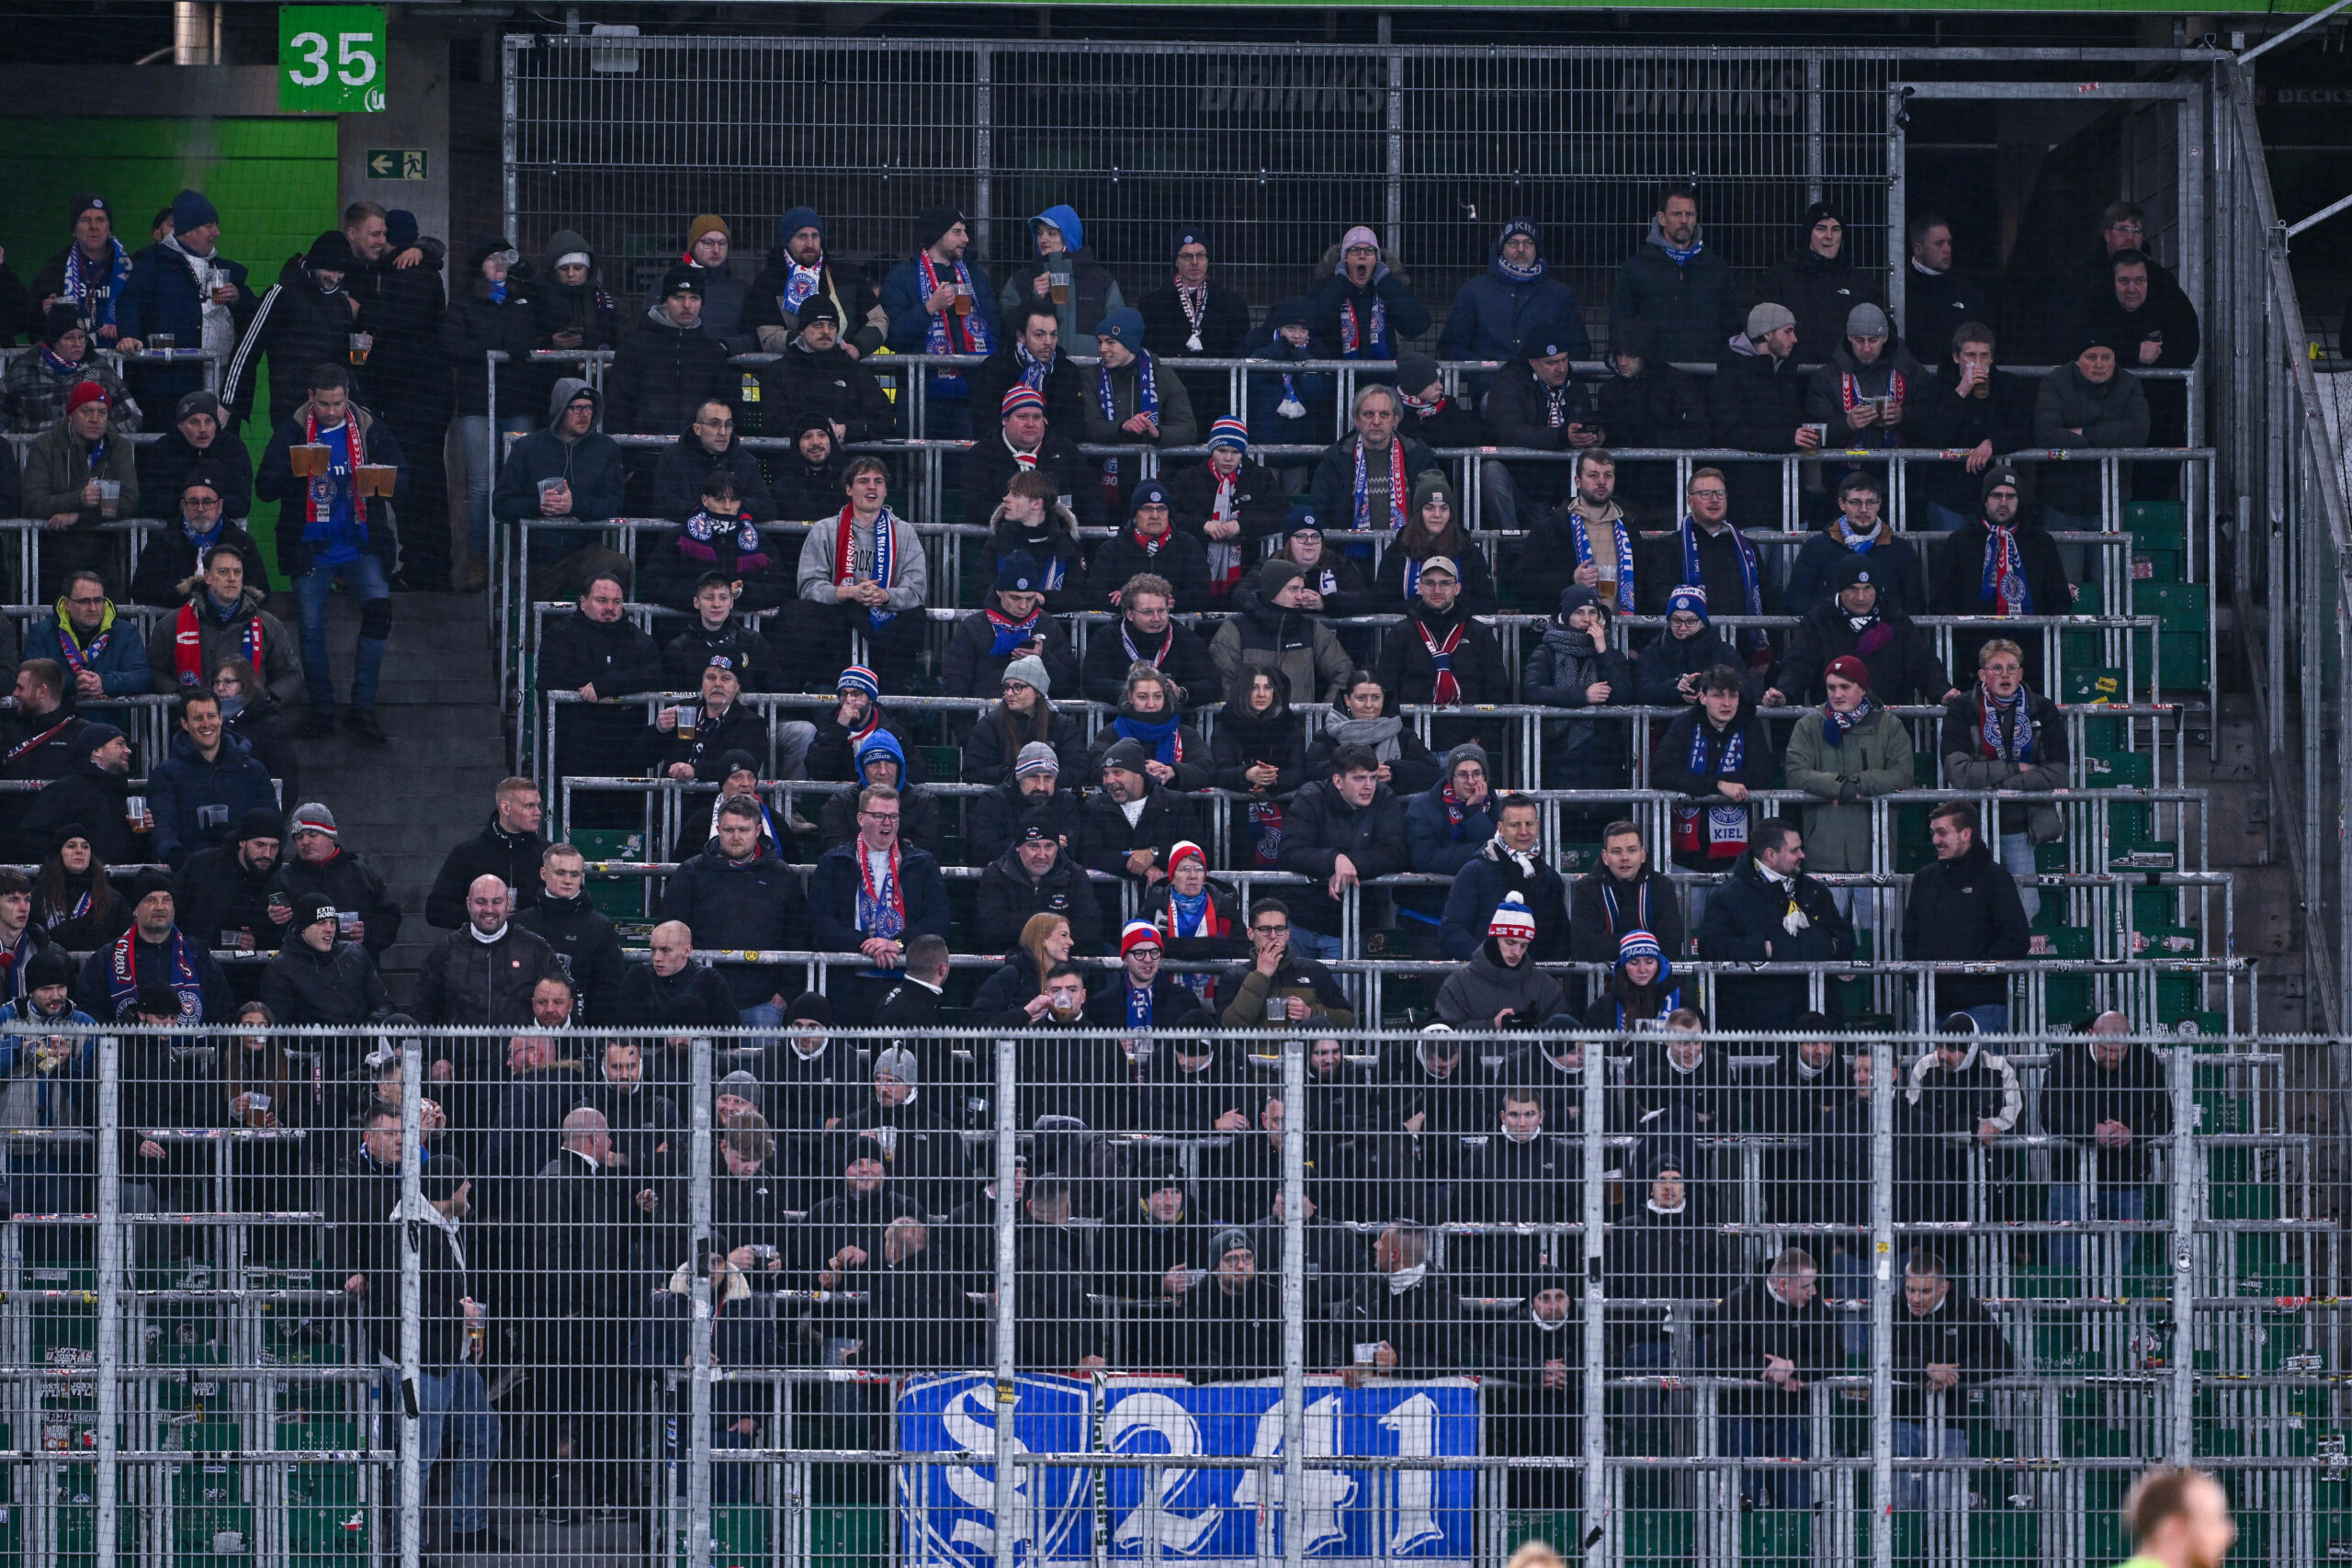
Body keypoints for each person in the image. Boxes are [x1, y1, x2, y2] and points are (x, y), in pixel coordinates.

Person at [251, 361, 406, 743]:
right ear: (311, 398)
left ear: (347, 397)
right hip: (311, 547)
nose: (332, 411)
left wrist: (382, 483)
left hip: (359, 545)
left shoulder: (369, 429)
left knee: (380, 610)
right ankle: (321, 708)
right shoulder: (290, 430)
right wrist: (294, 471)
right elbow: (264, 488)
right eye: (324, 404)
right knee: (310, 626)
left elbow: (406, 480)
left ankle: (362, 708)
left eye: (338, 403)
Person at [1781, 656, 1914, 930]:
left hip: (1875, 854)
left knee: (1879, 941)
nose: (1837, 694)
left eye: (1845, 686)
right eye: (1831, 687)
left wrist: (1860, 784)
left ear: (1862, 689)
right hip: (1823, 854)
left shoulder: (1889, 725)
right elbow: (1795, 773)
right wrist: (1840, 785)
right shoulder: (1809, 726)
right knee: (1823, 938)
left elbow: (1903, 774)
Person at [1940, 637, 2067, 919]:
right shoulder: (1962, 708)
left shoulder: (2042, 709)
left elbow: (2059, 772)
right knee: (1970, 909)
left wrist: (1991, 777)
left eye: (2012, 668)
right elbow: (1957, 772)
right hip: (1971, 827)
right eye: (1996, 668)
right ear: (1983, 675)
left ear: (2021, 674)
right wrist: (2016, 770)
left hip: (2021, 825)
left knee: (2026, 907)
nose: (2005, 674)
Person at [2039, 1011, 2171, 1275]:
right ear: (2091, 1036)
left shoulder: (2145, 1062)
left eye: (2119, 1051)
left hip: (2126, 1180)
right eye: (2105, 1050)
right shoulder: (2064, 1060)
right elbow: (2049, 1115)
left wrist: (2132, 1133)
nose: (2112, 1057)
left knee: (2114, 1277)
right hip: (2071, 1180)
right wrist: (2092, 1131)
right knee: (2065, 1274)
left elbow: (2164, 1116)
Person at [657, 796, 808, 1027]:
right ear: (717, 829)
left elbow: (798, 936)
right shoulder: (691, 873)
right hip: (701, 999)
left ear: (758, 830)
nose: (736, 837)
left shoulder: (782, 875)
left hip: (764, 1003)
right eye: (729, 830)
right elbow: (670, 931)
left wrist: (786, 994)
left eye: (743, 829)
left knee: (761, 1064)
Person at [1694, 818, 1854, 1032]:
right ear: (1771, 854)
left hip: (1814, 1021)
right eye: (1794, 850)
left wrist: (1828, 946)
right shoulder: (1728, 897)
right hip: (1755, 1023)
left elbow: (1845, 938)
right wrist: (1765, 948)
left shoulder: (1814, 891)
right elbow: (1711, 948)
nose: (1802, 856)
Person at [440, 239, 540, 571]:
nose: (499, 263)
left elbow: (536, 333)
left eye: (505, 258)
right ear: (478, 264)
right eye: (491, 257)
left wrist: (529, 279)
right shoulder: (466, 302)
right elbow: (452, 344)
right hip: (477, 403)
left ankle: (515, 558)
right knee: (481, 485)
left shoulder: (522, 298)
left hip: (518, 401)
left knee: (518, 482)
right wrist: (497, 345)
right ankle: (479, 559)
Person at [1716, 1247, 1840, 1512]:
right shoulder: (1740, 1302)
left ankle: (1798, 1552)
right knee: (1741, 1504)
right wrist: (1768, 1369)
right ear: (1783, 1284)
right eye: (1807, 1286)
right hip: (1742, 1417)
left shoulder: (1812, 1306)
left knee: (1798, 1502)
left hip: (1788, 1416)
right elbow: (1721, 1355)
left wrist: (1793, 1369)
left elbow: (1834, 1356)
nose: (1814, 1292)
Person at [1889, 1251, 2014, 1512]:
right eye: (1910, 1289)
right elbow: (1875, 1357)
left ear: (1944, 1287)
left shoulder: (1968, 1309)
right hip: (1899, 1422)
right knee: (1900, 1509)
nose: (1914, 1298)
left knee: (1944, 1511)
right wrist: (1925, 1370)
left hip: (1950, 1423)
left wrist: (1955, 1375)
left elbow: (2002, 1358)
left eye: (1924, 1292)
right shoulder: (1891, 1306)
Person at [114, 190, 255, 418]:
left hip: (221, 389)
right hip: (169, 389)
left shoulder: (225, 270)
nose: (216, 232)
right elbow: (131, 301)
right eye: (209, 226)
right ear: (189, 231)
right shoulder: (153, 262)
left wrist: (239, 299)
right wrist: (129, 335)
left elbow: (254, 319)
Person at [790, 457, 928, 688]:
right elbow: (808, 586)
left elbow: (916, 590)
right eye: (864, 481)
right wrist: (849, 592)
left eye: (878, 481)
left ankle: (893, 692)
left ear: (885, 491)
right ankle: (824, 688)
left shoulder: (904, 532)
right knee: (802, 613)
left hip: (885, 613)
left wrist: (885, 595)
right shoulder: (825, 530)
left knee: (915, 616)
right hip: (839, 614)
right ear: (848, 489)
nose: (872, 487)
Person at [220, 230, 367, 432]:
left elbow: (346, 363)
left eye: (341, 273)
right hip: (290, 412)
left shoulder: (340, 304)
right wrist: (229, 403)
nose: (335, 278)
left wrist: (360, 404)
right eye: (330, 271)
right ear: (315, 264)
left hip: (333, 412)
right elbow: (247, 348)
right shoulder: (281, 294)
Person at [535, 570, 662, 801]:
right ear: (583, 603)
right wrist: (622, 694)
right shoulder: (559, 635)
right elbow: (557, 675)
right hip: (574, 750)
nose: (610, 608)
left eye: (616, 602)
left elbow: (654, 674)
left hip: (625, 752)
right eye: (602, 600)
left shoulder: (636, 638)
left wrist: (605, 685)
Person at [1903, 802, 2031, 1030]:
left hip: (1982, 1006)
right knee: (1926, 1067)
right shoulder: (1924, 878)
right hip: (1929, 1005)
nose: (1935, 841)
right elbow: (1910, 937)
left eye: (1942, 833)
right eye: (1934, 833)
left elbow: (2015, 938)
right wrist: (1919, 983)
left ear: (1966, 834)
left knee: (1983, 1067)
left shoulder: (1996, 878)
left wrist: (1975, 976)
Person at [2085, 246, 2200, 496]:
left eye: (2139, 281)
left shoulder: (2168, 301)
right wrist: (2133, 353)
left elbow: (2189, 344)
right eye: (2124, 281)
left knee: (2156, 491)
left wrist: (2155, 358)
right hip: (2109, 422)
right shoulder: (2096, 305)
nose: (2132, 289)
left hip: (2161, 420)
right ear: (2112, 282)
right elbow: (2083, 345)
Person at [1772, 554, 1957, 709]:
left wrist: (1942, 692)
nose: (1861, 597)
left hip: (1887, 722)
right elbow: (1799, 665)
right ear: (1840, 590)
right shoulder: (1818, 620)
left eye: (1868, 588)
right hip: (1832, 720)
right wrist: (1784, 693)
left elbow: (1923, 664)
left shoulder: (1896, 620)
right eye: (1853, 589)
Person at [1280, 742, 1406, 961]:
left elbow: (1394, 853)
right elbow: (1290, 851)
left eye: (1373, 778)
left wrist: (1348, 863)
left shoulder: (1384, 798)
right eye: (1359, 778)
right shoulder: (1310, 797)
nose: (1368, 786)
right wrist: (1333, 860)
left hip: (1355, 927)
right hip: (1301, 920)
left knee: (1344, 995)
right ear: (1338, 780)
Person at [880, 207, 998, 438]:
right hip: (920, 394)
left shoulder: (975, 276)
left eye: (965, 231)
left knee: (965, 464)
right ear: (937, 235)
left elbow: (994, 328)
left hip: (969, 393)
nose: (965, 238)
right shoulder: (902, 276)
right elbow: (893, 336)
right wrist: (929, 308)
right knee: (918, 465)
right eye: (957, 232)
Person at [490, 378, 626, 577]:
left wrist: (574, 505)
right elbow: (500, 505)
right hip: (537, 554)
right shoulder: (527, 448)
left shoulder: (606, 449)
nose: (585, 414)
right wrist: (539, 505)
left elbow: (614, 504)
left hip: (585, 551)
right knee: (526, 592)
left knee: (618, 565)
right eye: (577, 408)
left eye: (589, 408)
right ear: (561, 408)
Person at [808, 784, 951, 968]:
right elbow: (821, 920)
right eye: (878, 816)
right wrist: (864, 944)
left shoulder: (922, 862)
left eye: (893, 816)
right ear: (861, 818)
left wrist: (899, 944)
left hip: (905, 969)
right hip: (850, 970)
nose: (887, 823)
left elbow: (938, 918)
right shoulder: (834, 862)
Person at [1898, 1018, 2022, 1227]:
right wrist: (1974, 1127)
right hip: (1937, 1176)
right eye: (1939, 1047)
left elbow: (2013, 1120)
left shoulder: (2000, 1068)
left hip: (1990, 1178)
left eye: (1953, 1049)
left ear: (1972, 1049)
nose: (1943, 1055)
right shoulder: (1925, 1068)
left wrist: (1954, 1126)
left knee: (1988, 1245)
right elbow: (1915, 1120)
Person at [1911, 322, 2035, 532]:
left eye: (1984, 356)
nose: (1978, 363)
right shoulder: (1934, 388)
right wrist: (1961, 391)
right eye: (1970, 355)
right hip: (1948, 494)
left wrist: (1992, 443)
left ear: (1992, 357)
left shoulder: (2008, 386)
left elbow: (2027, 430)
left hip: (1997, 498)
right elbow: (1932, 434)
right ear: (1956, 357)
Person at [1653, 663, 1774, 877]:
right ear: (1703, 697)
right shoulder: (1684, 725)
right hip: (1686, 857)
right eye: (1718, 695)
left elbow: (1762, 774)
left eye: (1733, 696)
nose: (1727, 703)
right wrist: (1718, 785)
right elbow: (1661, 774)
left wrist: (1706, 783)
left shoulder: (1749, 725)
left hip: (1739, 862)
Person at [1442, 217, 1589, 391]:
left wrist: (1550, 372)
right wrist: (1483, 372)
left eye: (1528, 243)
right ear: (1501, 248)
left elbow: (1579, 348)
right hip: (1491, 388)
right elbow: (1451, 346)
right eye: (1513, 243)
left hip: (1546, 392)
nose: (1521, 249)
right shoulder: (1474, 291)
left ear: (1537, 249)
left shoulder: (1560, 294)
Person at [24, 381, 141, 597]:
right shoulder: (45, 446)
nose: (95, 419)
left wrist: (77, 516)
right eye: (86, 411)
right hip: (54, 553)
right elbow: (33, 502)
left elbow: (129, 501)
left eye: (102, 412)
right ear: (70, 414)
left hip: (105, 553)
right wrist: (78, 499)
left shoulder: (120, 447)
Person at [1930, 466, 2075, 640]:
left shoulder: (2041, 543)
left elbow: (2059, 599)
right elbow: (1941, 600)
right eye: (1996, 495)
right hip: (1975, 646)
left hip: (2030, 646)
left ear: (2019, 500)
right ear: (1985, 499)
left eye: (2011, 496)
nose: (2004, 502)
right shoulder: (1960, 542)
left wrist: (2042, 637)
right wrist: (1965, 637)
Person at [148, 544, 297, 710]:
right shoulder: (172, 623)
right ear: (207, 577)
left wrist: (268, 699)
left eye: (237, 572)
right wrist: (180, 695)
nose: (232, 578)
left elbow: (290, 674)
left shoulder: (268, 624)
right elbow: (155, 670)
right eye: (223, 572)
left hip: (253, 720)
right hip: (193, 721)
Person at [74, 869, 232, 1025]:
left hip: (189, 1050)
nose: (160, 907)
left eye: (166, 899)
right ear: (135, 910)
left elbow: (222, 1011)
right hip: (127, 1049)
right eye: (151, 900)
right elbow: (89, 1010)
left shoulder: (199, 956)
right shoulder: (106, 958)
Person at [1708, 303, 1815, 527]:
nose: (1794, 338)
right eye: (1788, 331)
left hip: (1792, 500)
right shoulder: (1730, 375)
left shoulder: (1787, 371)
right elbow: (1731, 433)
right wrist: (1788, 438)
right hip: (1752, 504)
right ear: (1767, 333)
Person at [1523, 585, 1634, 805]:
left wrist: (1602, 650)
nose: (1587, 618)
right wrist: (1582, 695)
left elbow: (1624, 695)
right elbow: (1532, 691)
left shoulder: (1609, 652)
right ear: (1566, 616)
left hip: (1603, 750)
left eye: (1592, 612)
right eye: (1579, 612)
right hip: (1558, 750)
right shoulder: (1546, 651)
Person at [1650, 468, 1770, 671]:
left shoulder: (1746, 548)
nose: (1714, 500)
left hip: (1742, 654)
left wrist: (1764, 650)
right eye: (1706, 494)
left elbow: (1765, 598)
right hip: (1687, 654)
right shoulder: (1670, 547)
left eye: (1720, 494)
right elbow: (1658, 594)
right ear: (1690, 501)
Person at [1085, 308, 1198, 518]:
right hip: (1105, 483)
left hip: (1156, 480)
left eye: (1110, 342)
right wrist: (1122, 428)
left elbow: (1188, 428)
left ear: (1129, 343)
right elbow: (1090, 427)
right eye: (1100, 342)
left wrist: (1158, 433)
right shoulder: (1091, 376)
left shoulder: (1163, 376)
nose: (1102, 349)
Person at [942, 562, 1080, 731]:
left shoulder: (1049, 626)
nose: (1023, 606)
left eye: (1030, 599)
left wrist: (1043, 659)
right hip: (986, 730)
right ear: (999, 592)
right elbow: (955, 686)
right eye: (1015, 598)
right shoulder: (973, 628)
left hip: (1039, 729)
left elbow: (1068, 685)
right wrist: (969, 735)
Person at [1610, 184, 1737, 367]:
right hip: (1654, 377)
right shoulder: (1635, 269)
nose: (1684, 220)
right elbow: (1621, 325)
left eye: (1690, 214)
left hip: (1706, 377)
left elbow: (1730, 326)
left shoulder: (1716, 268)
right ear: (1661, 218)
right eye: (1676, 214)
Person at [2034, 332, 2151, 531]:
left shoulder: (2129, 383)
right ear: (2077, 361)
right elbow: (2046, 434)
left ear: (2114, 360)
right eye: (2091, 357)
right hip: (2062, 501)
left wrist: (2086, 433)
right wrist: (2109, 437)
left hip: (2112, 500)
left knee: (2107, 564)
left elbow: (2139, 433)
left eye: (2106, 357)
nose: (2099, 364)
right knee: (2066, 564)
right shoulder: (2055, 382)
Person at [1374, 554, 1505, 730]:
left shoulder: (1479, 634)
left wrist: (1479, 741)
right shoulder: (1401, 633)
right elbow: (1386, 690)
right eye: (1429, 583)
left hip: (1466, 746)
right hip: (1411, 743)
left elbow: (1497, 691)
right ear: (1419, 587)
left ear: (1457, 588)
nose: (1437, 590)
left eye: (1445, 583)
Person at [147, 690, 276, 870]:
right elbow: (163, 826)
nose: (206, 723)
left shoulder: (252, 770)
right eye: (198, 718)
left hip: (246, 872)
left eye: (211, 716)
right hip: (192, 873)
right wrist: (183, 861)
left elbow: (272, 823)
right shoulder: (166, 774)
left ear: (221, 718)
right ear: (185, 723)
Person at [604, 264, 734, 437]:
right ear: (665, 300)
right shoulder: (634, 347)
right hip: (642, 453)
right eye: (679, 297)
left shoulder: (711, 353)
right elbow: (617, 405)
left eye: (694, 298)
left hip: (698, 455)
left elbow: (728, 405)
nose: (687, 305)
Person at [1592, 329, 1708, 518]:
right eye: (1619, 354)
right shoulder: (1610, 391)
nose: (1623, 362)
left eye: (1631, 355)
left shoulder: (1677, 383)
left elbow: (1698, 432)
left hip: (1670, 487)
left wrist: (1647, 437)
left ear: (1647, 356)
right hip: (1627, 489)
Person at [1486, 331, 1603, 516]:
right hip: (1520, 477)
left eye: (1564, 360)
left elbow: (1584, 421)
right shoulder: (1508, 382)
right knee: (1492, 472)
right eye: (1552, 362)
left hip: (1563, 480)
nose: (1561, 368)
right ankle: (1511, 545)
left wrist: (1594, 437)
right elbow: (1510, 431)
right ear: (1533, 363)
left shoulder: (1575, 384)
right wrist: (1560, 436)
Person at [1211, 561, 1353, 713]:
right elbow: (1223, 680)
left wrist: (1326, 712)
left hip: (1298, 729)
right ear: (1273, 590)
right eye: (1293, 589)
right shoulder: (1236, 628)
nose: (1300, 596)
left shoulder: (1311, 628)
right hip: (1246, 729)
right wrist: (1240, 716)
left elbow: (1344, 670)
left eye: (1302, 589)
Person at [1781, 470, 1925, 620]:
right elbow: (1795, 601)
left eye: (1870, 502)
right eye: (1856, 502)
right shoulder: (1816, 547)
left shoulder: (1901, 550)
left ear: (1879, 504)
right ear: (1842, 504)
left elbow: (1914, 607)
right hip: (1830, 637)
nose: (1864, 509)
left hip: (1884, 638)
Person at [1139, 225, 1252, 413]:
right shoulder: (1152, 305)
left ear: (1208, 260)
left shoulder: (1232, 305)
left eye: (1201, 255)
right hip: (1170, 398)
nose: (1194, 262)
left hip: (1215, 398)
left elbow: (1239, 352)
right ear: (1175, 261)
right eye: (1186, 256)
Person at [745, 205, 885, 357]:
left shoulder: (848, 275)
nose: (810, 244)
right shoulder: (768, 282)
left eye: (815, 236)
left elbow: (879, 320)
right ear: (787, 241)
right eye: (802, 236)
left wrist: (857, 348)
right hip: (792, 372)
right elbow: (768, 337)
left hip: (846, 368)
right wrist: (807, 342)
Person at [270, 804, 401, 964]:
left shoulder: (361, 873)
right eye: (298, 837)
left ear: (330, 835)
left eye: (312, 834)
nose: (305, 842)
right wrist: (272, 918)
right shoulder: (282, 878)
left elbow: (390, 917)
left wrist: (368, 933)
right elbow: (263, 930)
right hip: (302, 971)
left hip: (355, 970)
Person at [1514, 449, 1641, 615]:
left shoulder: (1629, 528)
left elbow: (1643, 584)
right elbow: (1522, 583)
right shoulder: (1551, 527)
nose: (1602, 482)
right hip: (1569, 632)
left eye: (1608, 475)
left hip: (1621, 632)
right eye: (1593, 475)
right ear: (1578, 481)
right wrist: (1570, 579)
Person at [513, 842, 628, 1025]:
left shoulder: (600, 927)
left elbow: (609, 994)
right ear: (544, 874)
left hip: (584, 1036)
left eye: (574, 874)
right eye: (560, 873)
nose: (568, 880)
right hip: (525, 1033)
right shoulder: (522, 923)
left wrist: (592, 1042)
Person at [1329, 1224, 1461, 1381]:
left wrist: (1399, 1360)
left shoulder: (1441, 1301)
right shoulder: (1369, 1286)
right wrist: (1339, 1366)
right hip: (1360, 1393)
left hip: (1413, 1398)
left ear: (1394, 1255)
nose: (1375, 1245)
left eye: (1381, 1242)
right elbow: (1338, 1329)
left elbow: (1451, 1361)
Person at [762, 294, 897, 446]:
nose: (826, 331)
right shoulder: (778, 372)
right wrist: (820, 430)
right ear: (802, 330)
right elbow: (771, 425)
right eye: (818, 324)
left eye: (831, 325)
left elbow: (885, 421)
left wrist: (848, 429)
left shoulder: (856, 372)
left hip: (849, 464)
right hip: (795, 463)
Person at [1803, 301, 1926, 464]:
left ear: (1885, 337)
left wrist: (1904, 416)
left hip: (1902, 473)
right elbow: (1811, 435)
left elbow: (1932, 419)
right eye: (1860, 340)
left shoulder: (1910, 371)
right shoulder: (1826, 376)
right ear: (1849, 336)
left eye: (1873, 340)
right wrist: (1847, 424)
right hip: (1843, 477)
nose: (1866, 348)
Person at [1308, 384, 1440, 536]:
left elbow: (1436, 508)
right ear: (1356, 420)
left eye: (1384, 414)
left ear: (1395, 420)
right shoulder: (1335, 459)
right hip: (1348, 553)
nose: (1376, 421)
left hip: (1408, 551)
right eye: (1368, 414)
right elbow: (1321, 512)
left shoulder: (1418, 456)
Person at [261, 890, 391, 1040]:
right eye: (321, 923)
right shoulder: (281, 967)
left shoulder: (355, 953)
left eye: (332, 922)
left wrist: (365, 1032)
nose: (329, 929)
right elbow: (280, 1027)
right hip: (312, 1054)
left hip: (360, 1048)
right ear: (303, 928)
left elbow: (383, 1005)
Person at [128, 472, 270, 608]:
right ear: (183, 505)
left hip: (229, 630)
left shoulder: (242, 543)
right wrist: (188, 591)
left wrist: (223, 593)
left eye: (207, 502)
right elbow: (140, 590)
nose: (200, 509)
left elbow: (261, 592)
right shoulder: (161, 541)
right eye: (193, 502)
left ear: (220, 506)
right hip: (175, 628)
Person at [17, 723, 147, 869]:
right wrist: (65, 871)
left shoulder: (125, 793)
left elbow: (134, 852)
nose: (128, 751)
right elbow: (33, 837)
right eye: (120, 744)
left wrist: (144, 832)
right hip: (74, 887)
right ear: (97, 751)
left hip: (119, 886)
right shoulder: (64, 791)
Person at [1763, 202, 1879, 365]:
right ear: (1808, 234)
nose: (1829, 236)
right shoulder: (1781, 276)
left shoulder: (1860, 281)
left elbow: (1881, 330)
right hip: (1793, 377)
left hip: (1844, 377)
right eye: (1821, 228)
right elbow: (1765, 331)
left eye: (1836, 229)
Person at [425, 777, 548, 930]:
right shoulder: (467, 853)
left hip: (535, 949)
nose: (538, 812)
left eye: (538, 805)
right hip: (480, 949)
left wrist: (527, 917)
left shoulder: (548, 854)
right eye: (529, 806)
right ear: (506, 808)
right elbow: (435, 910)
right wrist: (486, 916)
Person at [1079, 738, 1202, 888]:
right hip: (1110, 905)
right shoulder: (1095, 807)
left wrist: (1154, 854)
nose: (1109, 780)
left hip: (1166, 901)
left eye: (1117, 772)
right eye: (1105, 774)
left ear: (1138, 774)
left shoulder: (1175, 803)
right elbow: (1090, 855)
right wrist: (1139, 867)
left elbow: (1197, 851)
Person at [976, 810, 1105, 953]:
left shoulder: (1075, 875)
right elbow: (993, 930)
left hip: (1063, 962)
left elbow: (1090, 930)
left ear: (1058, 846)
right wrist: (1054, 930)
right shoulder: (996, 874)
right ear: (1018, 847)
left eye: (1049, 846)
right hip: (1012, 963)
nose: (1042, 856)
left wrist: (1039, 933)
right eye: (1034, 846)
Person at [1216, 900, 1358, 1030]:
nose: (1273, 936)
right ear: (1251, 933)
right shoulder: (1233, 976)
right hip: (1253, 1056)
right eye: (1265, 929)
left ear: (1288, 934)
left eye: (1280, 929)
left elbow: (1348, 1020)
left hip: (1302, 1056)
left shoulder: (1314, 970)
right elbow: (1229, 1026)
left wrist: (1312, 1013)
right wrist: (1260, 976)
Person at [171, 807, 284, 969]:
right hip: (194, 966)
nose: (267, 853)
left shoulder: (277, 878)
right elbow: (176, 917)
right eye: (260, 844)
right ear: (242, 841)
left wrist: (258, 939)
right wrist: (225, 940)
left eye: (274, 847)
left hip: (248, 973)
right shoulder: (203, 866)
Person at [1306, 225, 1431, 371]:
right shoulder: (1327, 286)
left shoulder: (1387, 287)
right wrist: (1339, 284)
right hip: (1337, 380)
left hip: (1382, 380)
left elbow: (1418, 325)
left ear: (1376, 259)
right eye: (1354, 250)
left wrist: (1387, 283)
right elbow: (1311, 324)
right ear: (1344, 258)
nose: (1362, 255)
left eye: (1369, 250)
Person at [1372, 471, 1498, 611]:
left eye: (1444, 508)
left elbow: (1487, 606)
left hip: (1459, 630)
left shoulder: (1468, 552)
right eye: (1429, 508)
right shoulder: (1397, 552)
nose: (1437, 515)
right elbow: (1382, 604)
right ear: (1418, 513)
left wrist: (1449, 603)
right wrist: (1424, 604)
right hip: (1410, 631)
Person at [3, 306, 138, 434]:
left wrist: (101, 439)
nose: (78, 343)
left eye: (82, 337)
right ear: (53, 342)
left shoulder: (100, 370)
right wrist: (15, 448)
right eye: (69, 338)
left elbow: (133, 416)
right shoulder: (24, 368)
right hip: (35, 455)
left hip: (87, 456)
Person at [1434, 895, 1565, 1029]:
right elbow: (1444, 1040)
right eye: (1510, 942)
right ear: (1494, 939)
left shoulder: (1547, 987)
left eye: (1523, 946)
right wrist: (1493, 1025)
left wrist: (1536, 1029)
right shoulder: (1457, 985)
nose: (1517, 952)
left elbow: (1563, 1042)